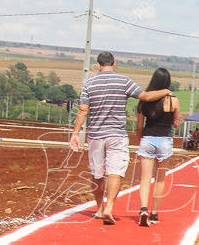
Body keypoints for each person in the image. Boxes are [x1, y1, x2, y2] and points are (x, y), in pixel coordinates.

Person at [69, 51, 173, 225]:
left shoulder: (89, 84)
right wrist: (165, 90)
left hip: (95, 134)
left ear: (98, 65)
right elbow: (145, 96)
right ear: (114, 64)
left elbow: (83, 111)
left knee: (97, 173)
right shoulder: (124, 81)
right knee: (115, 171)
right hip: (117, 134)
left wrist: (75, 133)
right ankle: (110, 207)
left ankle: (100, 209)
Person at [135, 68, 182, 227]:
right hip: (164, 140)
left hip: (148, 138)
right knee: (160, 179)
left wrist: (139, 139)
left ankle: (143, 209)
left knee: (145, 179)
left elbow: (139, 126)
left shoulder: (144, 100)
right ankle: (154, 214)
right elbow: (176, 122)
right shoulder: (173, 100)